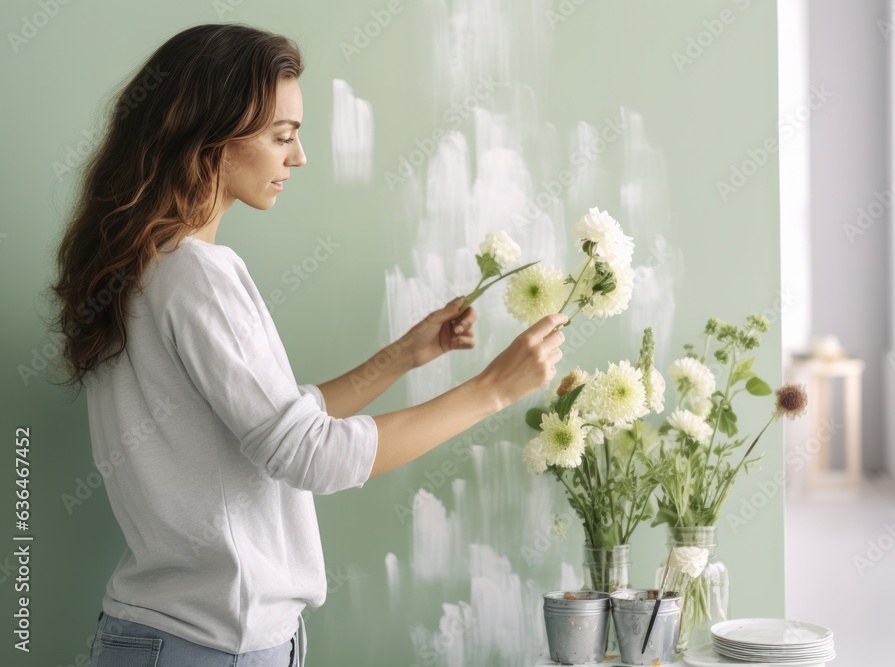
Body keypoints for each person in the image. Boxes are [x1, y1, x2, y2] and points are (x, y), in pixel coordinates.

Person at [46, 23, 567, 667]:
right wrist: (492, 390)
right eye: (282, 135)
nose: (298, 158)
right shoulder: (199, 276)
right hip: (209, 645)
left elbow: (276, 425)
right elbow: (306, 454)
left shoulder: (144, 266)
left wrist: (405, 354)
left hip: (169, 636)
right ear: (207, 137)